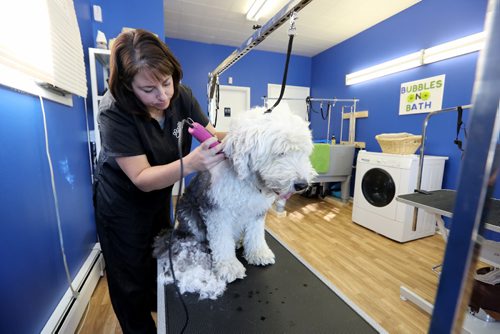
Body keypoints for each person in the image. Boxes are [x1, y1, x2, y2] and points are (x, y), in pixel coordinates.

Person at [93, 29, 225, 333]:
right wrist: (190, 163)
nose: (163, 95)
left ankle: (162, 312)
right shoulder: (114, 111)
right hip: (121, 204)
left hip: (158, 197)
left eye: (166, 83)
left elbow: (212, 134)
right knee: (129, 281)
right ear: (128, 86)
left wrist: (251, 138)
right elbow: (140, 177)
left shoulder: (181, 95)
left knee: (159, 258)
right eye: (149, 89)